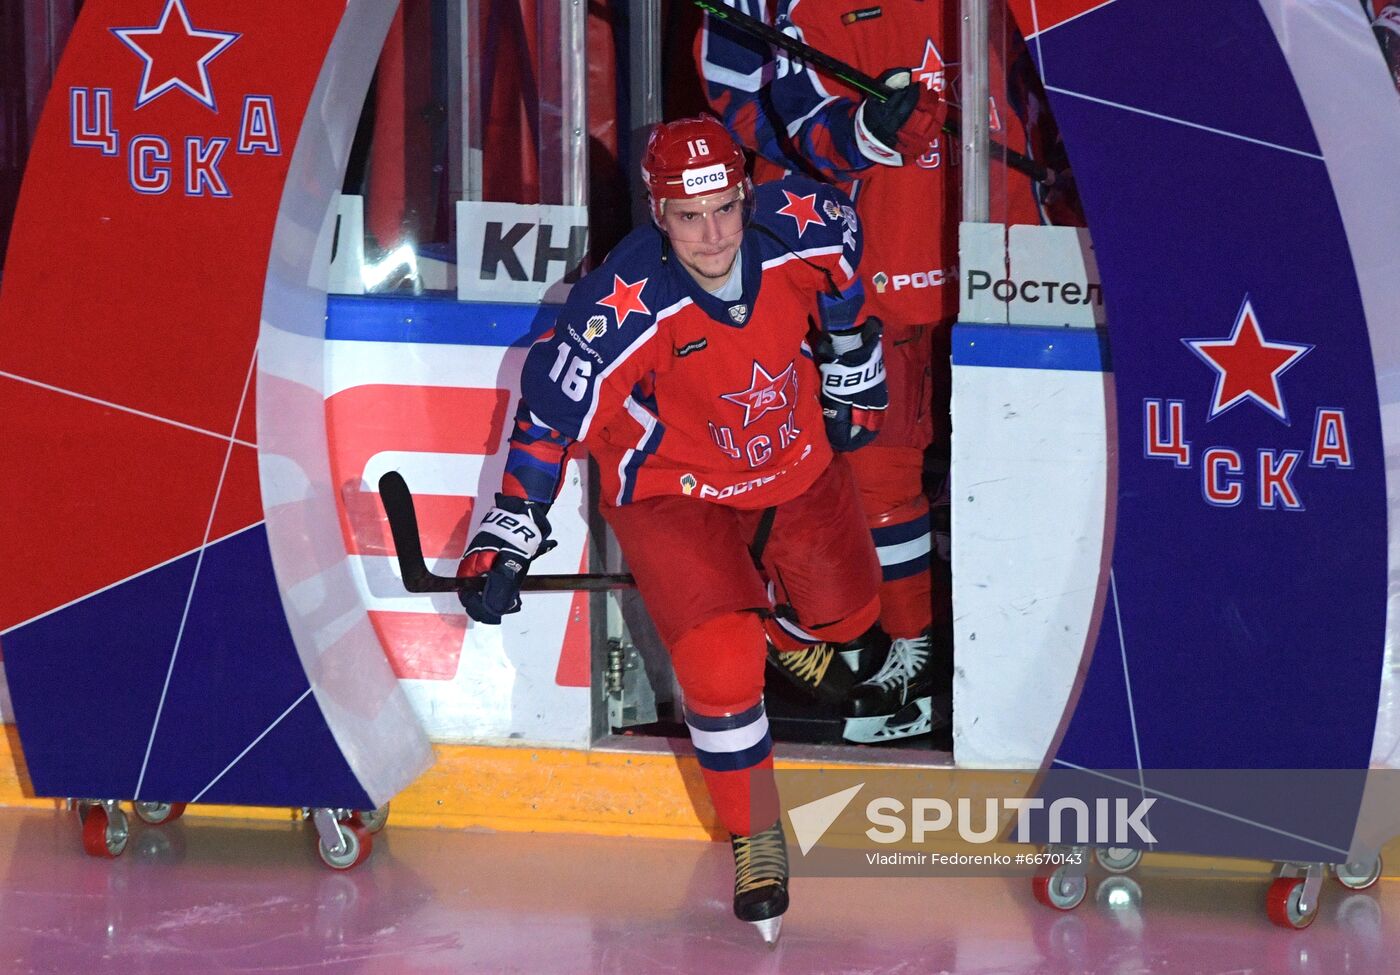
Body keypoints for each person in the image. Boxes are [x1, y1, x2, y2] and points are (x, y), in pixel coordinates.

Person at [455, 115, 887, 941]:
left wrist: (848, 363)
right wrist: (506, 531)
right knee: (718, 667)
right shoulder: (617, 307)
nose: (712, 234)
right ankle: (756, 828)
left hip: (788, 462)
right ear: (659, 213)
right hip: (669, 488)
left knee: (851, 621)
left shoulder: (808, 225)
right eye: (689, 218)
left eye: (724, 208)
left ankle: (774, 629)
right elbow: (549, 418)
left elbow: (843, 278)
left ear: (745, 194)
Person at [697, 0, 1075, 745]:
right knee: (861, 464)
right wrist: (861, 133)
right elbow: (749, 106)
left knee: (1016, 465)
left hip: (1010, 249)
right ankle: (900, 652)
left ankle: (975, 655)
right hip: (865, 257)